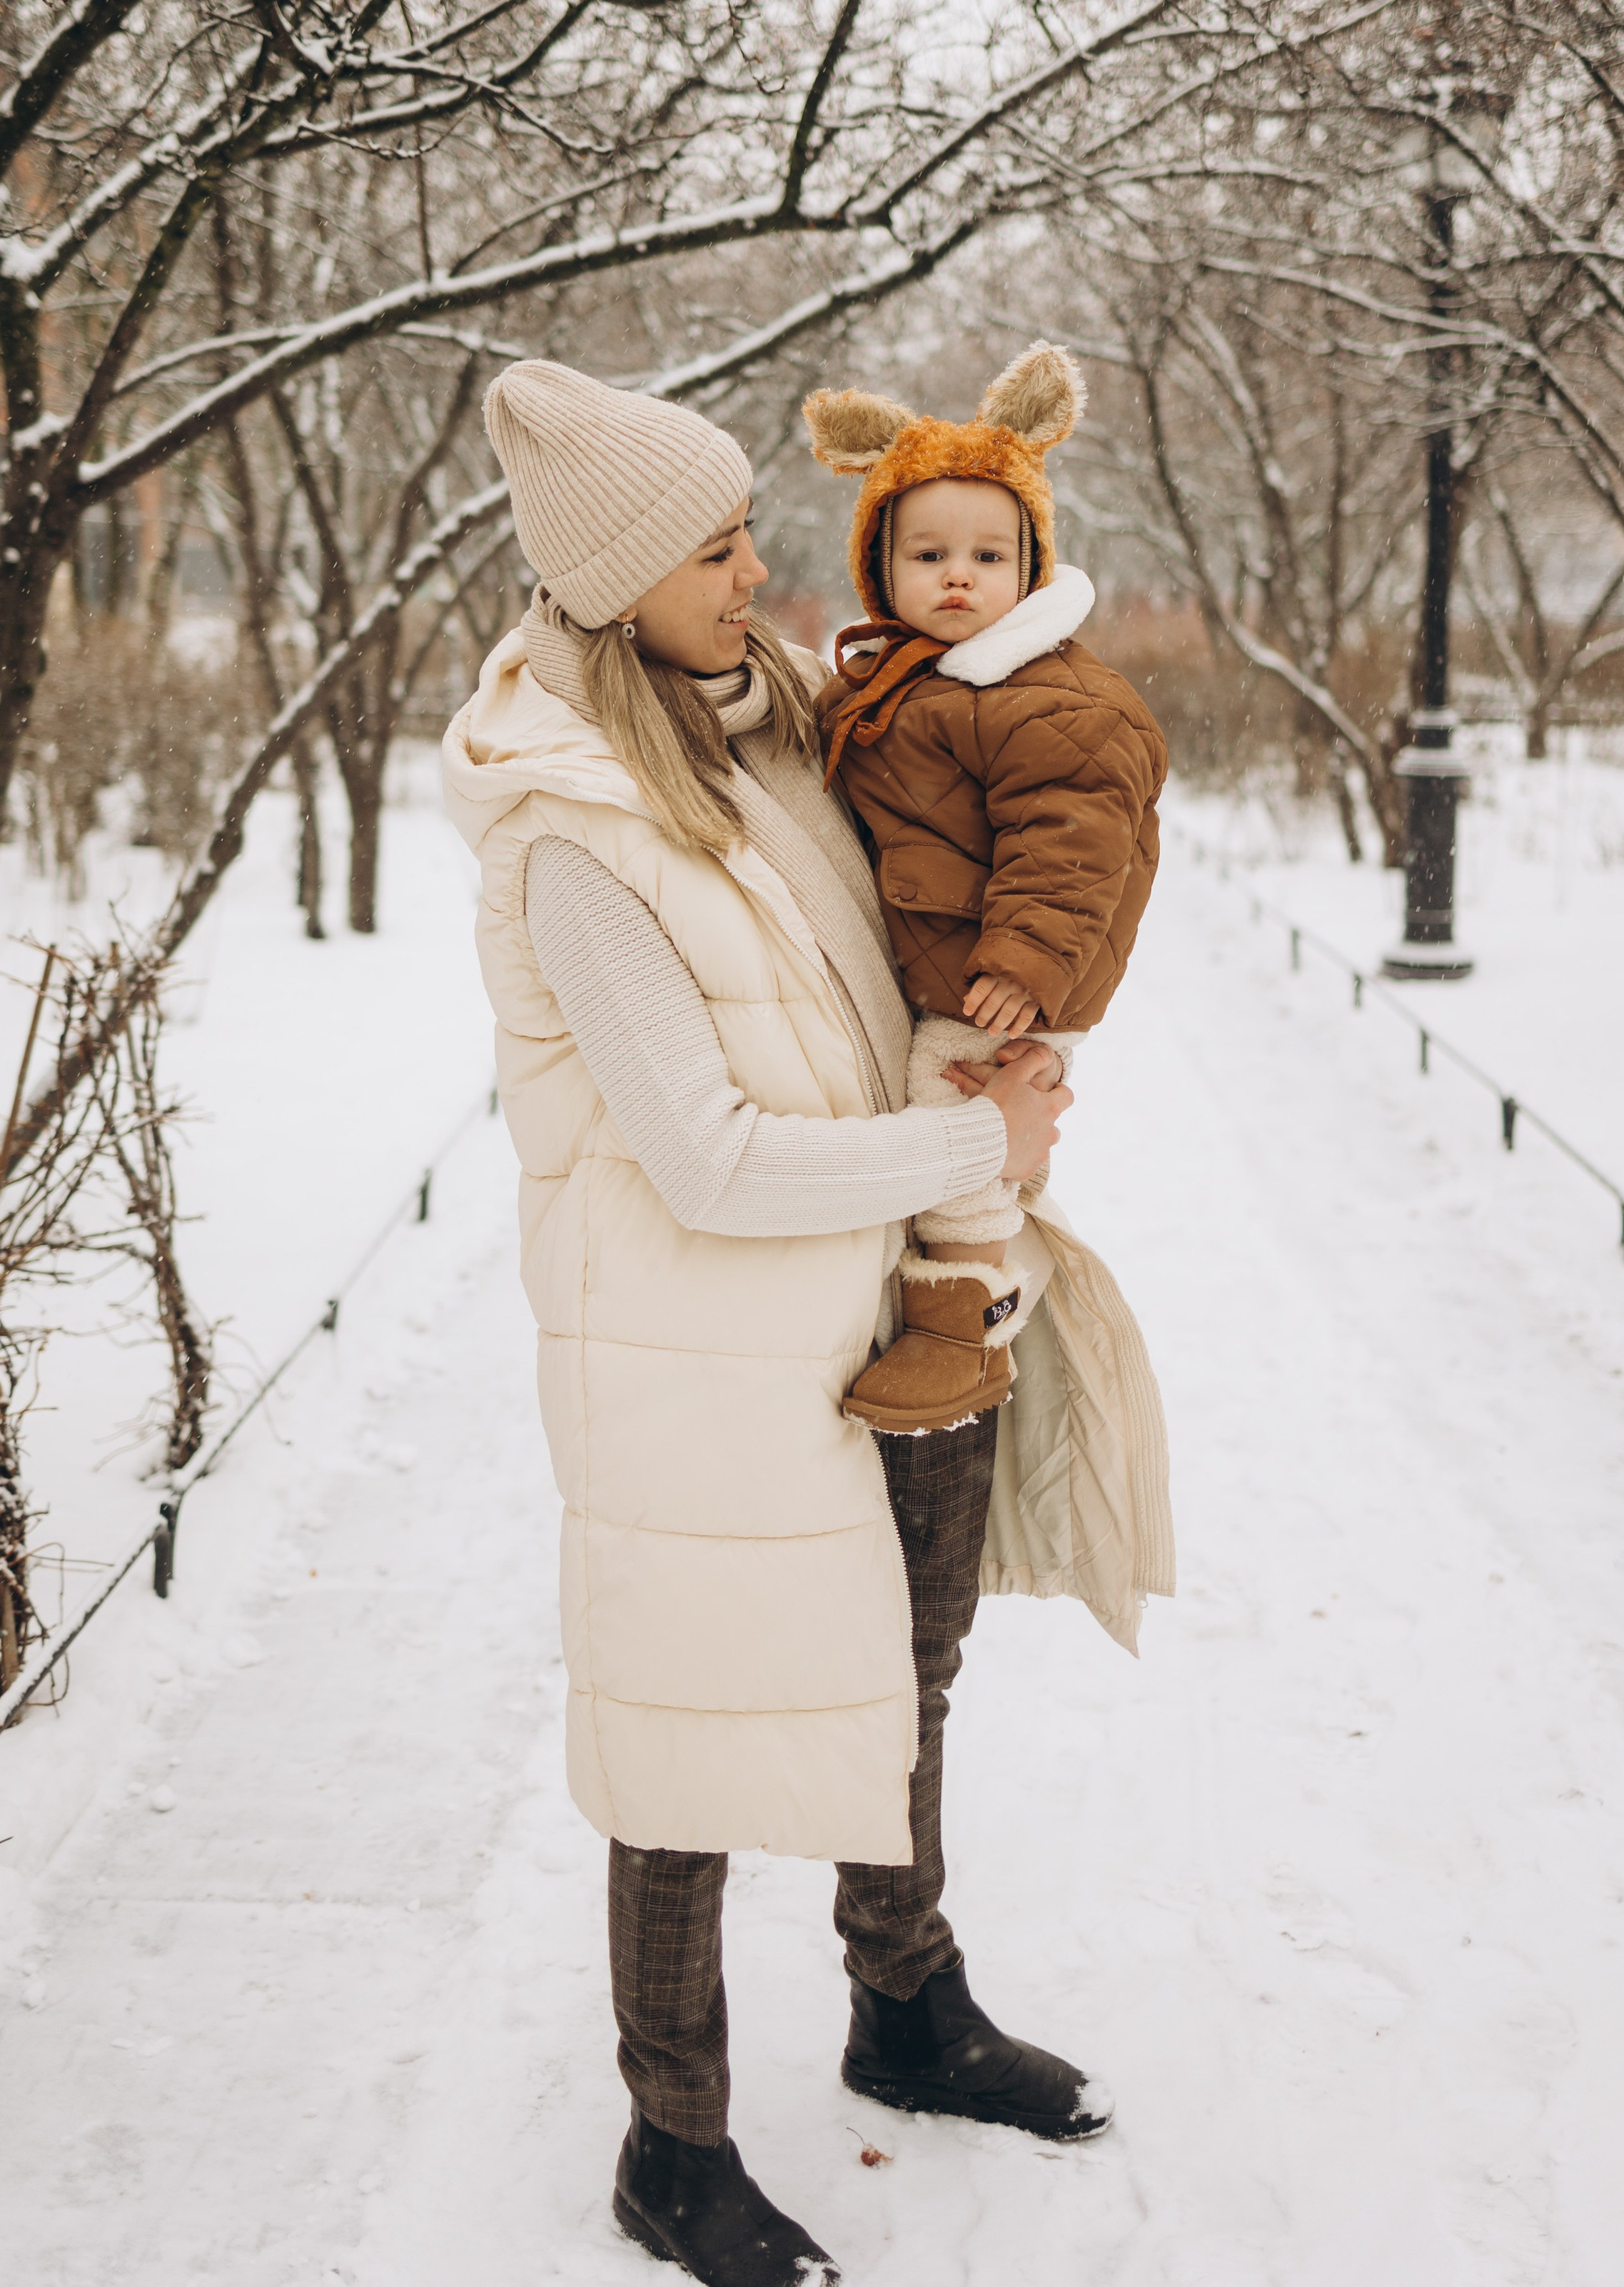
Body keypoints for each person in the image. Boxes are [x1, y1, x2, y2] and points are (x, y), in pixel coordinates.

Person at [443, 360, 1174, 2287]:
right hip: (702, 1359)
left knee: (900, 1682)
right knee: (689, 1749)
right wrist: (970, 1132)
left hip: (885, 1301)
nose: (751, 565)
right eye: (708, 546)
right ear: (611, 583)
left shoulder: (765, 727)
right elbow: (705, 1158)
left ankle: (904, 2008)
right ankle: (670, 2143)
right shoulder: (575, 829)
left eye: (746, 527)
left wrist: (981, 1119)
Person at [806, 342, 1169, 1436]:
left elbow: (1072, 836)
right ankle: (965, 1265)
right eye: (928, 554)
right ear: (883, 568)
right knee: (948, 1109)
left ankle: (958, 1318)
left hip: (1005, 975)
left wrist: (1022, 964)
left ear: (1031, 568)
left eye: (986, 555)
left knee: (952, 1101)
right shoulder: (907, 680)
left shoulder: (1043, 692)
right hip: (965, 952)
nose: (957, 577)